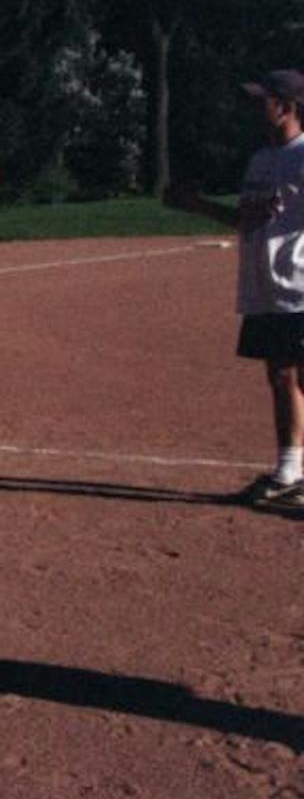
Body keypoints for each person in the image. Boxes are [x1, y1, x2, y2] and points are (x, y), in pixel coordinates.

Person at [168, 69, 304, 507]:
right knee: (280, 376)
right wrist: (196, 205)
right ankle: (290, 470)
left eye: (261, 100)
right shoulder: (260, 160)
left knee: (291, 375)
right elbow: (247, 221)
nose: (252, 109)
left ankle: (289, 471)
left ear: (286, 106)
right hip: (265, 286)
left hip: (299, 283)